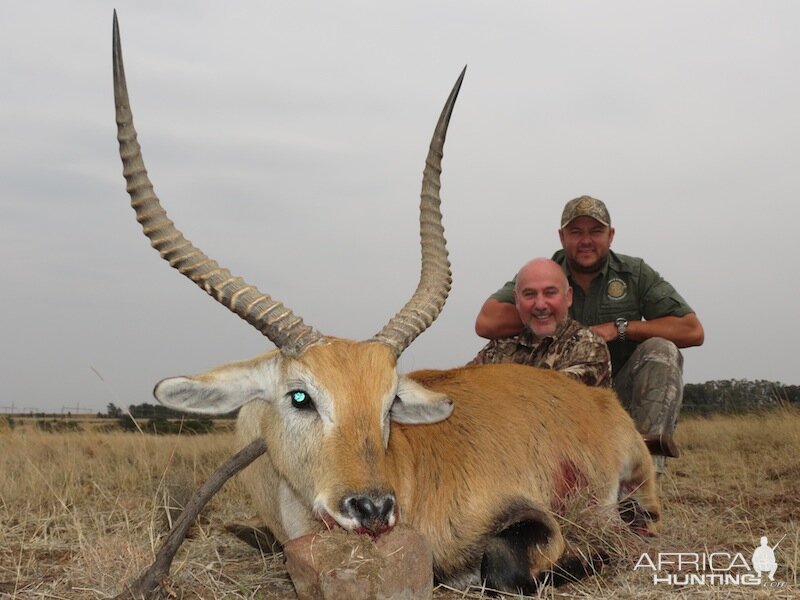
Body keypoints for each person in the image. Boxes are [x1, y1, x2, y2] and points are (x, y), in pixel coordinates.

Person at [475, 196, 704, 473]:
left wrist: (621, 329)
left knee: (662, 350)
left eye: (595, 231)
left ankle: (643, 476)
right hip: (555, 396)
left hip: (617, 391)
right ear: (561, 237)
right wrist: (546, 312)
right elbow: (487, 323)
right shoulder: (545, 274)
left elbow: (691, 330)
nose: (586, 240)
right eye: (576, 232)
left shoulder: (635, 273)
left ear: (611, 235)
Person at [469, 258, 612, 388]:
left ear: (568, 297)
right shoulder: (502, 345)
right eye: (529, 294)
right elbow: (467, 383)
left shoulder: (589, 346)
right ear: (517, 301)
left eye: (550, 293)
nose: (540, 305)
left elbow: (548, 399)